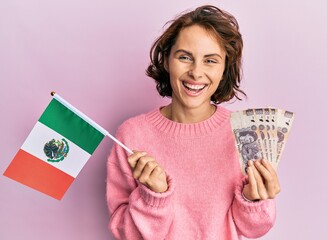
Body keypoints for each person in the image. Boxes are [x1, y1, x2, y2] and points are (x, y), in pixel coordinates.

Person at [106, 5, 280, 240]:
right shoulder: (132, 135)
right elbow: (123, 232)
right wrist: (153, 197)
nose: (196, 73)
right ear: (167, 60)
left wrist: (253, 200)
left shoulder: (243, 132)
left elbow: (254, 228)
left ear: (224, 69)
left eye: (210, 61)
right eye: (185, 57)